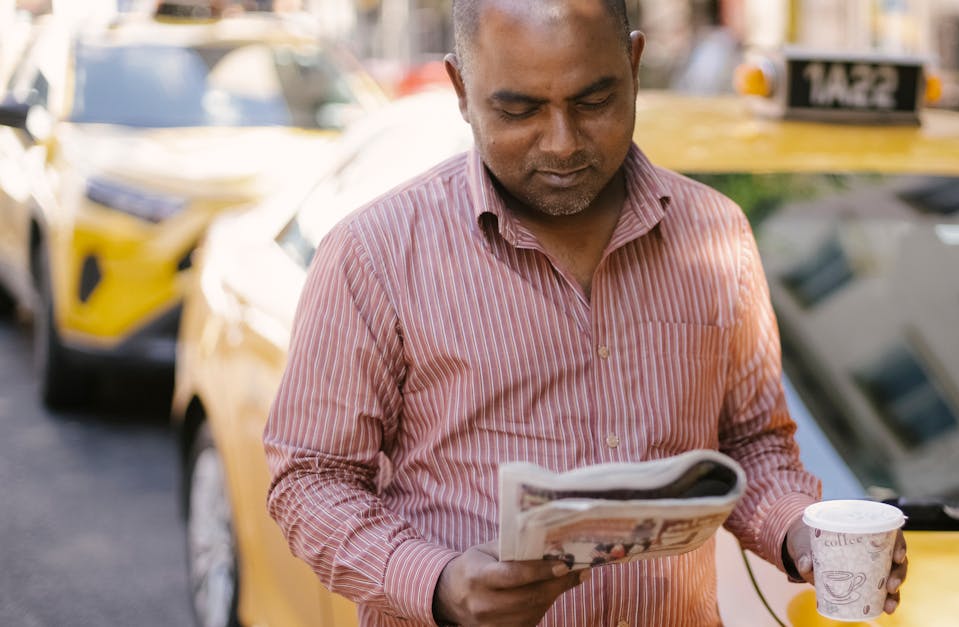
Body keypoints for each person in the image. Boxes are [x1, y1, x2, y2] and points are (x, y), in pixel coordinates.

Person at [263, 0, 909, 625]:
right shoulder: (373, 255)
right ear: (460, 89)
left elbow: (751, 444)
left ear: (634, 65)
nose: (562, 143)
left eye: (593, 102)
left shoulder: (717, 234)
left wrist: (801, 532)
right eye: (519, 110)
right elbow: (310, 480)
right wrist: (440, 585)